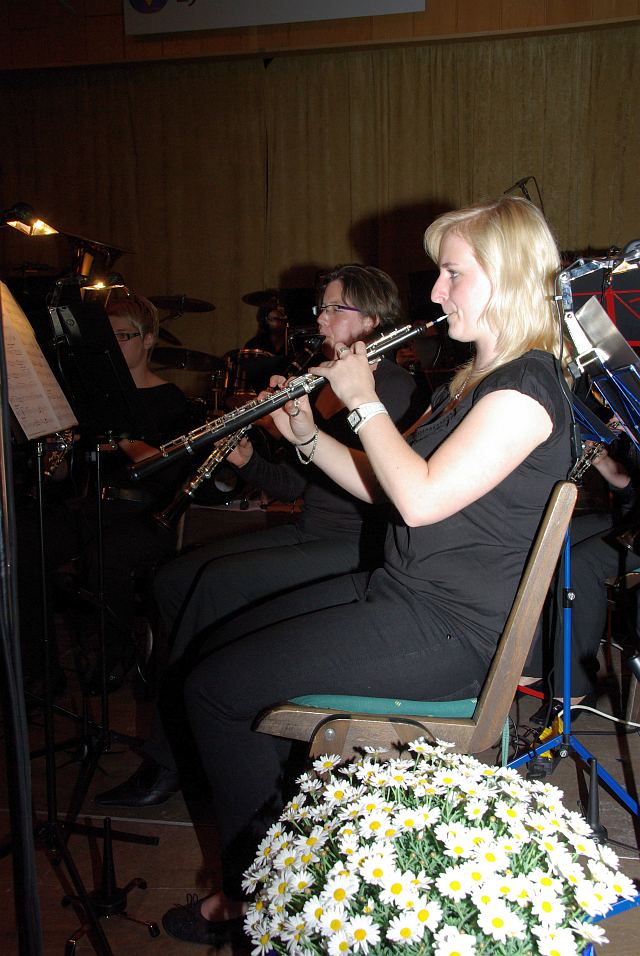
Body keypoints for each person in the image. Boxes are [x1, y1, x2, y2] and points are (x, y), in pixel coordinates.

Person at [157, 196, 572, 947]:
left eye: (452, 273)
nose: (436, 292)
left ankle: (258, 900)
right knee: (215, 650)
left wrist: (362, 402)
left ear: (508, 275)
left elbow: (417, 500)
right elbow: (390, 488)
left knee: (214, 691)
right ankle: (288, 872)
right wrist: (308, 438)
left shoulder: (526, 390)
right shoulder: (479, 379)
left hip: (452, 630)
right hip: (404, 594)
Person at [95, 264, 420, 806]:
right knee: (174, 580)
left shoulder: (392, 388)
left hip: (357, 542)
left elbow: (380, 488)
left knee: (216, 584)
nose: (319, 319)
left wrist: (300, 433)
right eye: (321, 308)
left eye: (333, 308)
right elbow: (299, 484)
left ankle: (177, 758)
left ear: (372, 319)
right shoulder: (324, 383)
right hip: (312, 528)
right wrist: (249, 459)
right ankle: (202, 730)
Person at [19, 289, 191, 697]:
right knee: (27, 541)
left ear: (149, 339)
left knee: (106, 553)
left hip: (145, 514)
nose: (112, 346)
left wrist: (120, 435)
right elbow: (67, 475)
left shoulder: (172, 401)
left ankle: (116, 654)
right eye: (106, 338)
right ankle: (41, 666)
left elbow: (167, 470)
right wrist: (55, 455)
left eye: (123, 336)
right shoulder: (91, 400)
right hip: (91, 505)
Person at [524, 429, 640, 725]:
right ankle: (538, 663)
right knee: (550, 540)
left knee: (581, 565)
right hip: (631, 517)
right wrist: (602, 461)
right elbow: (629, 486)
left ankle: (575, 688)